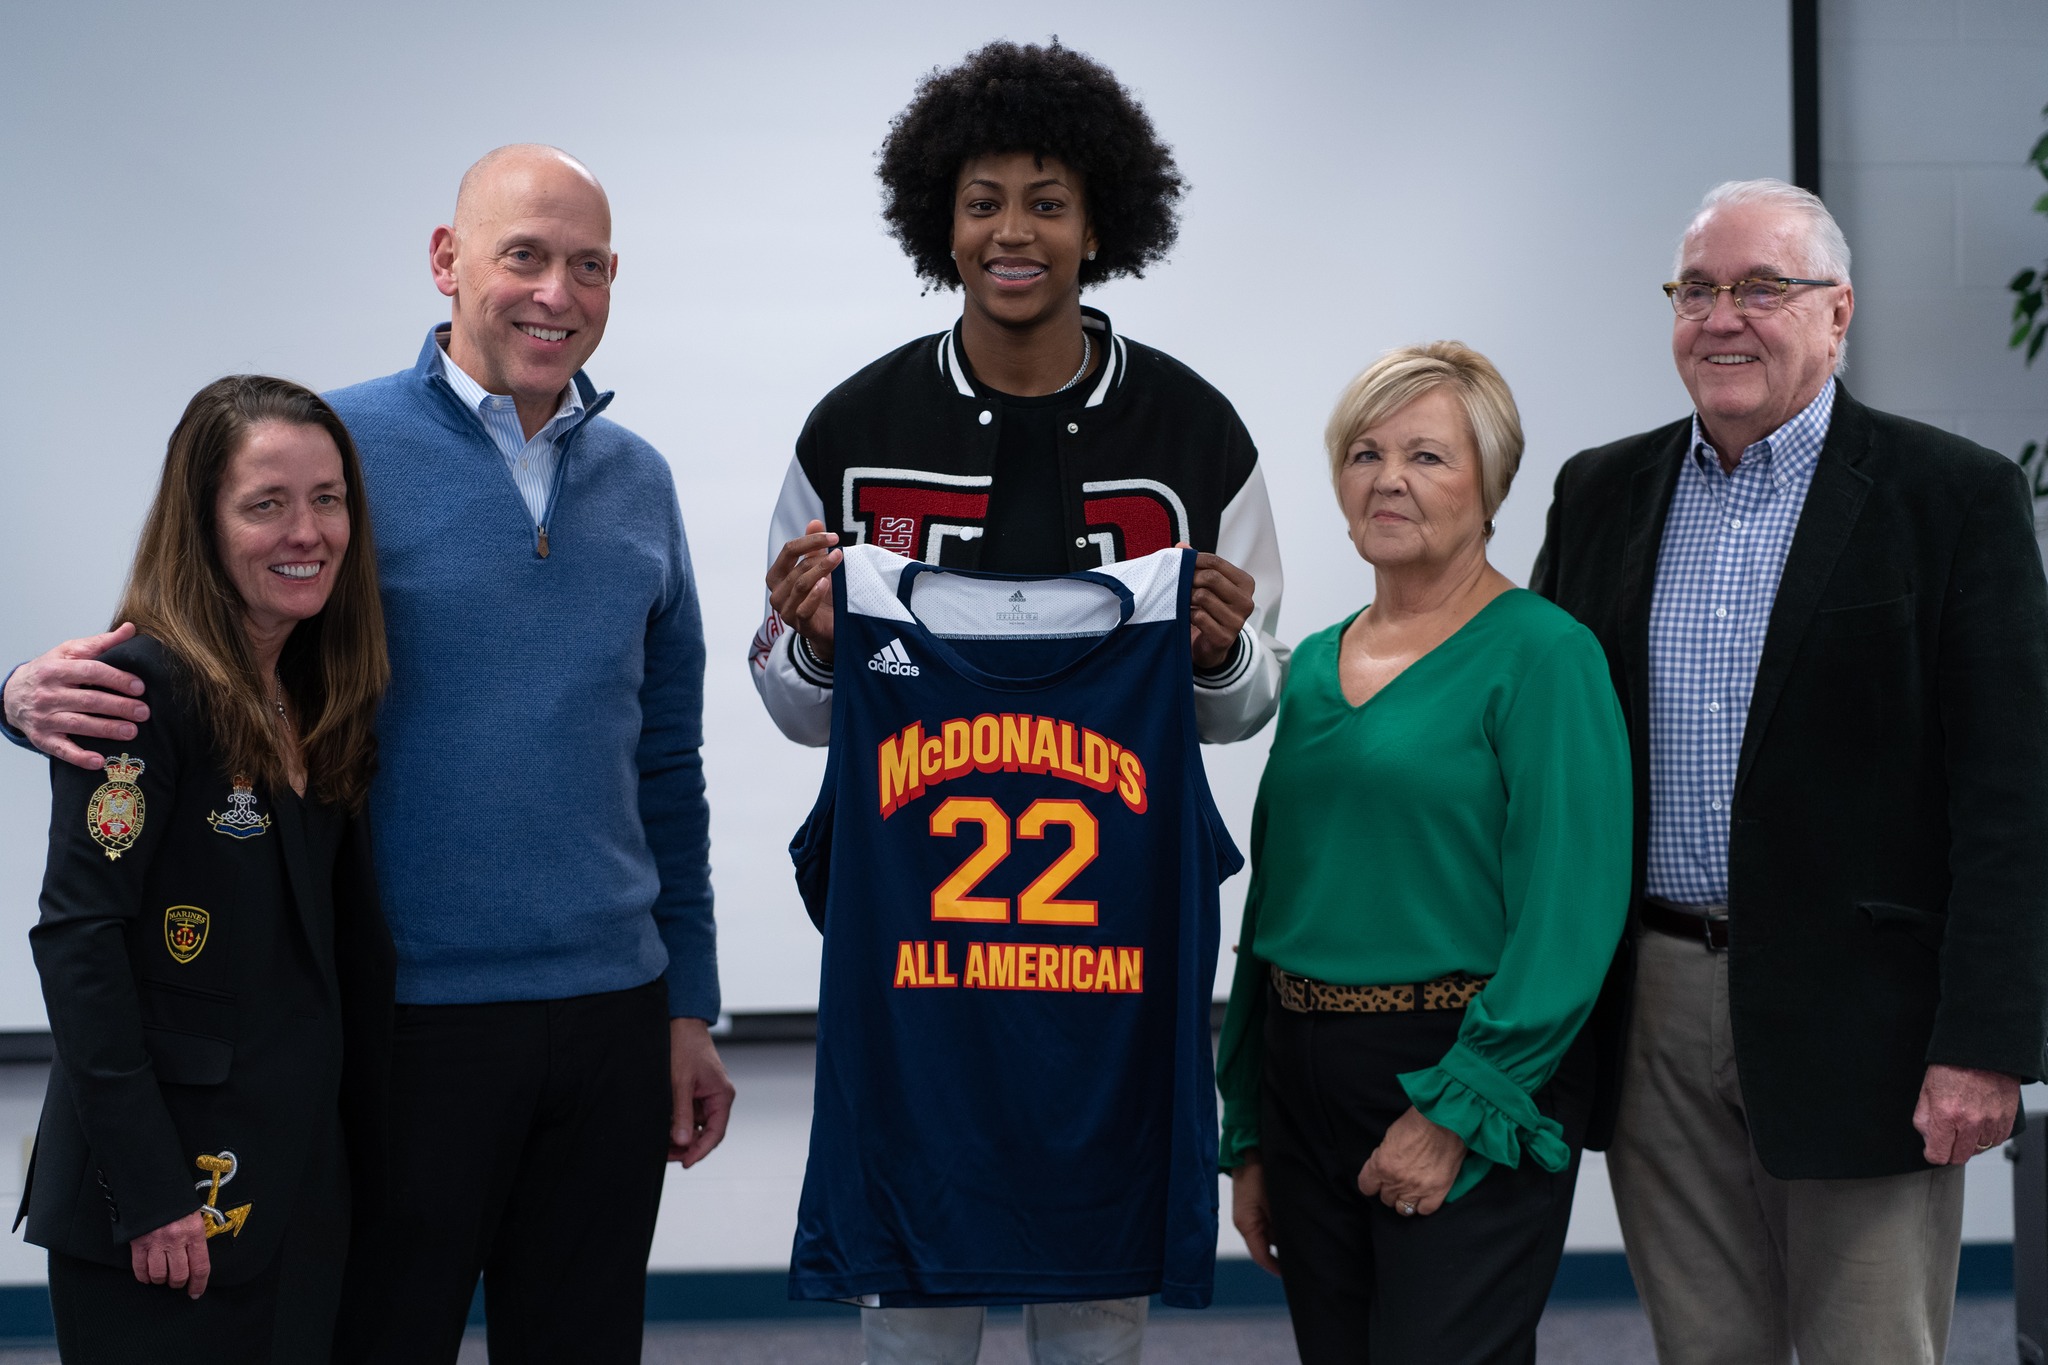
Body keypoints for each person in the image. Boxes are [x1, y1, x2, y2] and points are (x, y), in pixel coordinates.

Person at [3, 146, 733, 1365]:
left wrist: (689, 1003)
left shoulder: (640, 482)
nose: (556, 293)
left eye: (588, 266)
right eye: (523, 256)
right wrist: (21, 692)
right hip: (404, 1026)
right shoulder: (339, 453)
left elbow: (666, 759)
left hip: (612, 1015)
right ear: (447, 261)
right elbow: (195, 630)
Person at [747, 39, 1284, 1363]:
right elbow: (797, 706)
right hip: (915, 971)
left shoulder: (1195, 433)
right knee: (911, 1319)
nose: (1012, 232)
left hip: (1110, 965)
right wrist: (810, 643)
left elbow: (1244, 703)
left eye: (1047, 201)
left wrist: (1220, 652)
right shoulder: (852, 429)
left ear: (1100, 223)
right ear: (939, 222)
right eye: (982, 200)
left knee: (1096, 1316)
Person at [1530, 178, 2048, 1365]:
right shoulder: (1598, 491)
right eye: (1695, 290)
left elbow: (2012, 797)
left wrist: (1983, 1042)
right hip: (1651, 1002)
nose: (1721, 317)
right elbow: (1554, 750)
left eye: (1760, 288)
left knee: (1869, 1347)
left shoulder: (1950, 495)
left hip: (1867, 1017)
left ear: (1837, 312)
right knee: (1703, 1350)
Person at [1215, 342, 1631, 1363]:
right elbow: (1276, 906)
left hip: (1462, 1063)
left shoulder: (1545, 655)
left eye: (1426, 455)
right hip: (1303, 1076)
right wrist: (1250, 1128)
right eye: (1364, 453)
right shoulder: (1315, 662)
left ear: (1490, 486)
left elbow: (1567, 920)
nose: (1388, 478)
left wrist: (1456, 1109)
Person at [17, 376, 393, 1364]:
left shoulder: (314, 691)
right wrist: (150, 1192)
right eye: (266, 504)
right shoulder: (137, 687)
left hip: (295, 1188)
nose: (306, 532)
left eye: (327, 499)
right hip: (166, 1209)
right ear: (203, 523)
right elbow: (80, 942)